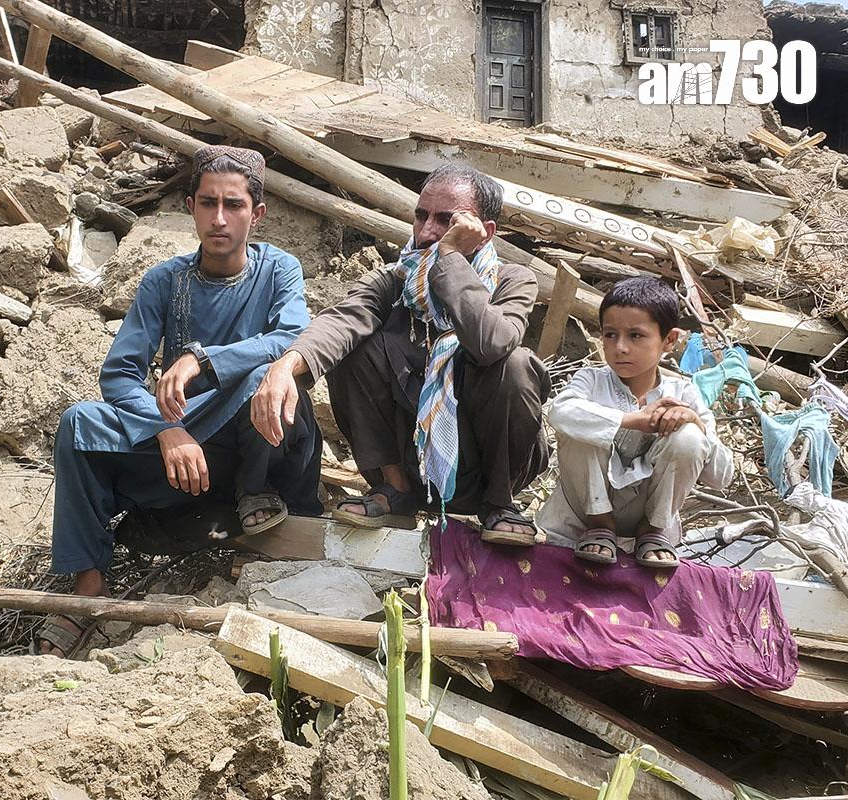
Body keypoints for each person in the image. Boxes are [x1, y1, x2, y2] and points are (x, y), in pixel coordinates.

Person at [39, 145, 323, 656]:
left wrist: (201, 359)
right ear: (189, 206)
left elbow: (292, 334)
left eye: (233, 205)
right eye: (208, 202)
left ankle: (257, 494)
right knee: (79, 423)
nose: (219, 218)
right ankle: (87, 586)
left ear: (255, 214)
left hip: (257, 438)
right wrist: (164, 430)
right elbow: (121, 374)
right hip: (188, 445)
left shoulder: (279, 269)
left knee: (273, 373)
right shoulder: (165, 281)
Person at [251, 165, 549, 543]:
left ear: (484, 232)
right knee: (353, 344)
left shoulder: (513, 280)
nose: (426, 232)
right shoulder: (395, 280)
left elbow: (492, 343)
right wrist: (285, 367)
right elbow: (342, 320)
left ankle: (500, 505)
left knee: (517, 365)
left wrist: (450, 259)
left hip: (485, 461)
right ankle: (394, 490)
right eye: (421, 216)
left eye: (446, 221)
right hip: (412, 461)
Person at [537, 276, 734, 568]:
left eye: (636, 336)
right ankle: (599, 522)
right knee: (579, 424)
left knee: (689, 436)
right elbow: (559, 412)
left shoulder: (683, 393)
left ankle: (652, 530)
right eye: (610, 335)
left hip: (647, 525)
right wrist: (633, 420)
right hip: (579, 519)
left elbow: (722, 478)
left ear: (669, 340)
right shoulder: (591, 380)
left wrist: (696, 423)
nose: (621, 348)